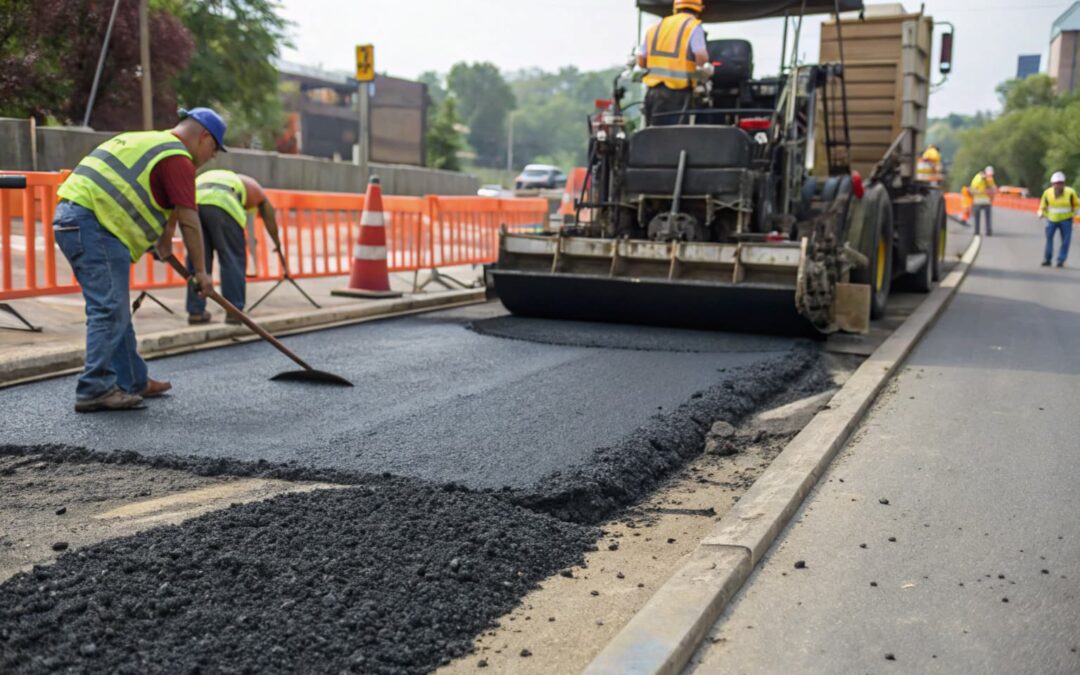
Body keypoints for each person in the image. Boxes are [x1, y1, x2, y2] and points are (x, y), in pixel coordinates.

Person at [52, 107, 225, 412]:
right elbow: (189, 220)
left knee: (115, 306)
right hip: (95, 224)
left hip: (78, 219)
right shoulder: (178, 159)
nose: (212, 157)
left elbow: (165, 205)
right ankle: (95, 388)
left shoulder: (150, 143)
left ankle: (133, 379)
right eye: (214, 149)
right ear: (204, 137)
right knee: (108, 309)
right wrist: (201, 272)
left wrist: (162, 243)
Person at [186, 170, 284, 324]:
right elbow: (268, 214)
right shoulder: (255, 188)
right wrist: (277, 242)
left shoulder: (221, 177)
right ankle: (234, 311)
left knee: (198, 259)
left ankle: (196, 311)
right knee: (232, 258)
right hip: (223, 204)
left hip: (194, 204)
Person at [638, 0, 710, 126]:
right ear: (700, 8)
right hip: (678, 92)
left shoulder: (656, 26)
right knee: (675, 137)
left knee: (653, 135)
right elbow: (701, 57)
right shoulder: (693, 26)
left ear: (675, 7)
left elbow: (641, 60)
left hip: (653, 91)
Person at [1038, 171, 1078, 268]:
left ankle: (1061, 260)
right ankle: (1047, 259)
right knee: (1049, 239)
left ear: (1064, 184)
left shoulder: (1070, 192)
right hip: (1051, 220)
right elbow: (1043, 205)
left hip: (1066, 220)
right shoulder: (1047, 193)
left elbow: (1076, 204)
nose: (1058, 185)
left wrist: (1075, 215)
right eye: (1056, 183)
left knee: (1065, 241)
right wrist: (1041, 213)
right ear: (1052, 184)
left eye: (1060, 183)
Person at [970, 166, 997, 236]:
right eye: (989, 175)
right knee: (978, 217)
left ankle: (987, 231)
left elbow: (993, 189)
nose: (990, 176)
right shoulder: (978, 178)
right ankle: (977, 231)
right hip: (978, 201)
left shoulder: (990, 179)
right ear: (985, 173)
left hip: (985, 201)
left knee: (987, 217)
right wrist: (984, 191)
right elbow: (973, 190)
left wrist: (991, 195)